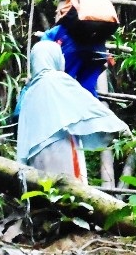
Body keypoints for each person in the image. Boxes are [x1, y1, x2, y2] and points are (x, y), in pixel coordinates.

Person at [15, 41, 129, 184]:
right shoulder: (57, 79)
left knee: (44, 194)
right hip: (61, 150)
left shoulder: (28, 94)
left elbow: (23, 135)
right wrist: (119, 126)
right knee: (70, 193)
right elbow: (88, 106)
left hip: (35, 160)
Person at [42, 21, 111, 97]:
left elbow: (46, 38)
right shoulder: (101, 24)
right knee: (87, 88)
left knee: (65, 83)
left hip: (76, 52)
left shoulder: (68, 24)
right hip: (97, 54)